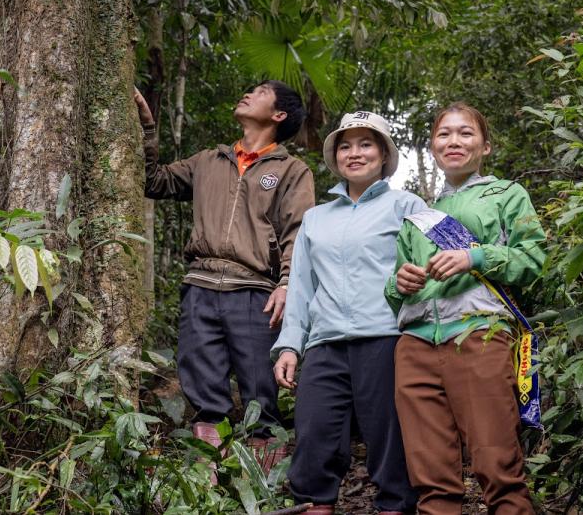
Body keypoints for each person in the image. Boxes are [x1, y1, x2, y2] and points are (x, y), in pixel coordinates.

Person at [133, 81, 315, 472]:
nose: (248, 93)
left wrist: (286, 284)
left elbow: (297, 233)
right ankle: (209, 489)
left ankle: (262, 490)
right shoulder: (209, 160)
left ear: (279, 115)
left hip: (254, 292)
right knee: (204, 394)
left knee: (259, 396)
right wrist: (147, 129)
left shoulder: (291, 170)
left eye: (260, 91)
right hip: (199, 286)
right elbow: (155, 182)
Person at [385, 101, 546, 515]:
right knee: (431, 478)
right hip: (415, 347)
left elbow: (533, 259)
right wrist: (398, 283)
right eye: (444, 134)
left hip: (479, 336)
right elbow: (394, 287)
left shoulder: (506, 195)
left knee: (498, 467)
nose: (454, 141)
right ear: (433, 146)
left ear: (485, 146)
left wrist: (474, 258)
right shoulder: (417, 218)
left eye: (466, 133)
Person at [271, 111, 423, 515]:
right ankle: (315, 505)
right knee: (314, 437)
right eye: (345, 145)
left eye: (366, 144)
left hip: (386, 338)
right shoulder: (316, 218)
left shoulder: (406, 204)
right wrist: (290, 346)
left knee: (390, 440)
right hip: (325, 344)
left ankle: (395, 506)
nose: (354, 153)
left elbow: (433, 264)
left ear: (384, 153)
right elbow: (302, 286)